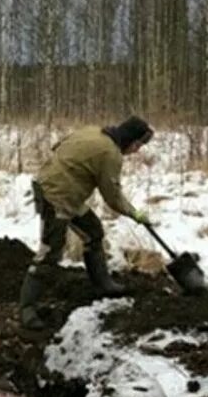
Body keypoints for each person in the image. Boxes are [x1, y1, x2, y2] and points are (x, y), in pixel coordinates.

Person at [18, 116, 154, 329]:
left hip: (65, 191)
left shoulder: (93, 131)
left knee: (93, 231)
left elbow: (58, 146)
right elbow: (113, 197)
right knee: (50, 251)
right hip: (55, 195)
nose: (136, 150)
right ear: (129, 139)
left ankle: (103, 284)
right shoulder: (110, 154)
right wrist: (135, 214)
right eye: (137, 145)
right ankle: (27, 308)